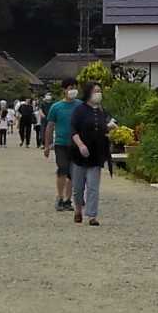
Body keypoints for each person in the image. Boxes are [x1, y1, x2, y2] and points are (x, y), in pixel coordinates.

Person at [69, 82, 112, 226]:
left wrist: (111, 131)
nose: (98, 94)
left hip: (96, 154)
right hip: (79, 155)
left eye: (100, 91)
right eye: (96, 91)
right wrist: (80, 145)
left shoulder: (101, 111)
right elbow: (73, 130)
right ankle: (78, 209)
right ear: (89, 93)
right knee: (78, 187)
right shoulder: (79, 110)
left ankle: (92, 215)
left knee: (93, 187)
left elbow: (105, 127)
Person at [44, 85, 80, 211]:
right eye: (70, 88)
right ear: (64, 90)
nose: (72, 90)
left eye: (74, 87)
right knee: (62, 168)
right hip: (61, 143)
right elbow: (50, 126)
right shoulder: (56, 107)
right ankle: (60, 197)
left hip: (76, 144)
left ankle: (68, 200)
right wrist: (47, 145)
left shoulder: (80, 106)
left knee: (72, 173)